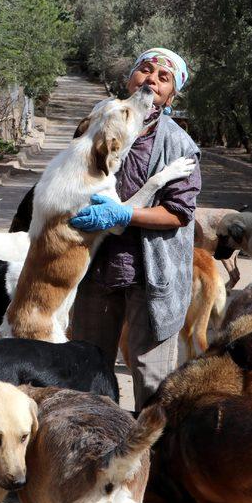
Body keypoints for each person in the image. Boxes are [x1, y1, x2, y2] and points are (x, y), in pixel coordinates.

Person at [69, 47, 202, 411]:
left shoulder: (178, 144)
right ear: (130, 77)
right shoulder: (100, 122)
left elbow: (178, 213)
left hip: (151, 275)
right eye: (146, 70)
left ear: (172, 94)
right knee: (85, 367)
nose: (152, 80)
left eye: (164, 78)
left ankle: (153, 463)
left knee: (152, 377)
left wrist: (123, 215)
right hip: (95, 268)